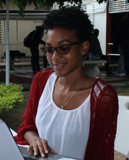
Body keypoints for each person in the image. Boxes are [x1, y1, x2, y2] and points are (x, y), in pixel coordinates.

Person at [14, 6, 118, 160]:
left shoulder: (102, 96)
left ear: (84, 47)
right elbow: (28, 125)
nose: (54, 56)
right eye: (49, 49)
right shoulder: (41, 80)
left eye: (63, 48)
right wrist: (35, 140)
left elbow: (100, 154)